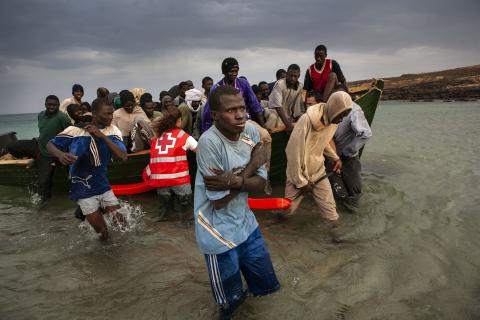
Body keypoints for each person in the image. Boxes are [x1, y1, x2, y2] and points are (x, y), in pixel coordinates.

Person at [194, 86, 280, 319]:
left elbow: (261, 185)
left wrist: (234, 181)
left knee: (268, 289)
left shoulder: (250, 131)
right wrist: (251, 167)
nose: (240, 114)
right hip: (217, 233)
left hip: (246, 225)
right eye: (232, 110)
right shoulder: (208, 143)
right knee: (230, 306)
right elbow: (219, 201)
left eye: (242, 108)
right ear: (215, 115)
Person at [47, 98, 128, 240]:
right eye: (107, 114)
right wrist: (60, 155)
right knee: (103, 234)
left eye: (112, 114)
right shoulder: (75, 131)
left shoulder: (112, 130)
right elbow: (50, 145)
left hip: (103, 186)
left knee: (123, 226)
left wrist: (101, 135)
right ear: (95, 114)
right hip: (83, 189)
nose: (111, 117)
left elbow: (123, 156)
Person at [283, 91, 353, 242]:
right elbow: (292, 153)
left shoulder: (333, 121)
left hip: (318, 171)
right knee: (287, 211)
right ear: (334, 108)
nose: (341, 120)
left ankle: (337, 240)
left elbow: (323, 141)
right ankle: (280, 235)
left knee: (331, 212)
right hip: (298, 173)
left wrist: (335, 158)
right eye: (340, 115)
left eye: (344, 116)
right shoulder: (306, 121)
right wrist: (301, 182)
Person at [7, 95, 71, 206]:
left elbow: (70, 134)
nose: (51, 107)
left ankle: (44, 207)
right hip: (38, 145)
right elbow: (43, 132)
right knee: (11, 146)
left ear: (58, 105)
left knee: (44, 182)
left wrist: (61, 155)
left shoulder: (63, 118)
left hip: (51, 153)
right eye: (49, 104)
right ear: (45, 104)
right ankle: (36, 157)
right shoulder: (41, 115)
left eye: (54, 105)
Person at [143, 108, 197, 220]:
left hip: (159, 180)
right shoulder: (183, 136)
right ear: (178, 121)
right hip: (179, 179)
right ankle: (186, 224)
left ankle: (166, 217)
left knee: (165, 206)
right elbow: (200, 150)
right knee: (186, 206)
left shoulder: (157, 137)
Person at [201, 57, 266, 133]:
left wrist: (263, 127)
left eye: (236, 71)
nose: (234, 74)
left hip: (244, 120)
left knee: (265, 137)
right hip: (224, 123)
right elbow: (207, 114)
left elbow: (255, 105)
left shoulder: (243, 83)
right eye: (231, 71)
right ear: (224, 72)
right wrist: (205, 133)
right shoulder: (216, 88)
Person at [327, 96, 372, 201]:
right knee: (337, 193)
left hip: (348, 157)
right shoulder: (329, 109)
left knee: (355, 192)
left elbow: (366, 134)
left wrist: (346, 151)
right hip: (331, 156)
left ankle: (354, 214)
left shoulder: (354, 110)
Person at [268, 64, 305, 132]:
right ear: (287, 74)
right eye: (291, 75)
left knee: (303, 118)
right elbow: (277, 106)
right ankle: (266, 136)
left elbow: (299, 107)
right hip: (274, 111)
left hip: (288, 115)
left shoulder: (300, 87)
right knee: (273, 117)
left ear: (299, 76)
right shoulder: (279, 84)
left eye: (295, 76)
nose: (292, 78)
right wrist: (288, 124)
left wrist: (295, 118)